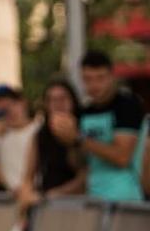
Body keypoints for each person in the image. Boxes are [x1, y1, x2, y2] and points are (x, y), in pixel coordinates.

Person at [54, 51, 146, 202]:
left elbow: (122, 157)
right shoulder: (84, 111)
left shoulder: (127, 105)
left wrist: (79, 138)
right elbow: (79, 164)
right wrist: (69, 141)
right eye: (88, 79)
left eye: (100, 78)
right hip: (94, 197)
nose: (94, 85)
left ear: (111, 77)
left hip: (125, 199)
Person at [17, 79, 88, 207]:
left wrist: (51, 195)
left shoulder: (84, 129)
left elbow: (85, 176)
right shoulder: (40, 135)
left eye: (62, 98)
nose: (57, 104)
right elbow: (28, 175)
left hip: (76, 205)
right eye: (52, 100)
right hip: (46, 205)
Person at [0, 86, 40, 193]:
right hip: (13, 198)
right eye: (2, 111)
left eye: (12, 105)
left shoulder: (40, 130)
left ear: (23, 102)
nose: (10, 112)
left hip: (42, 196)